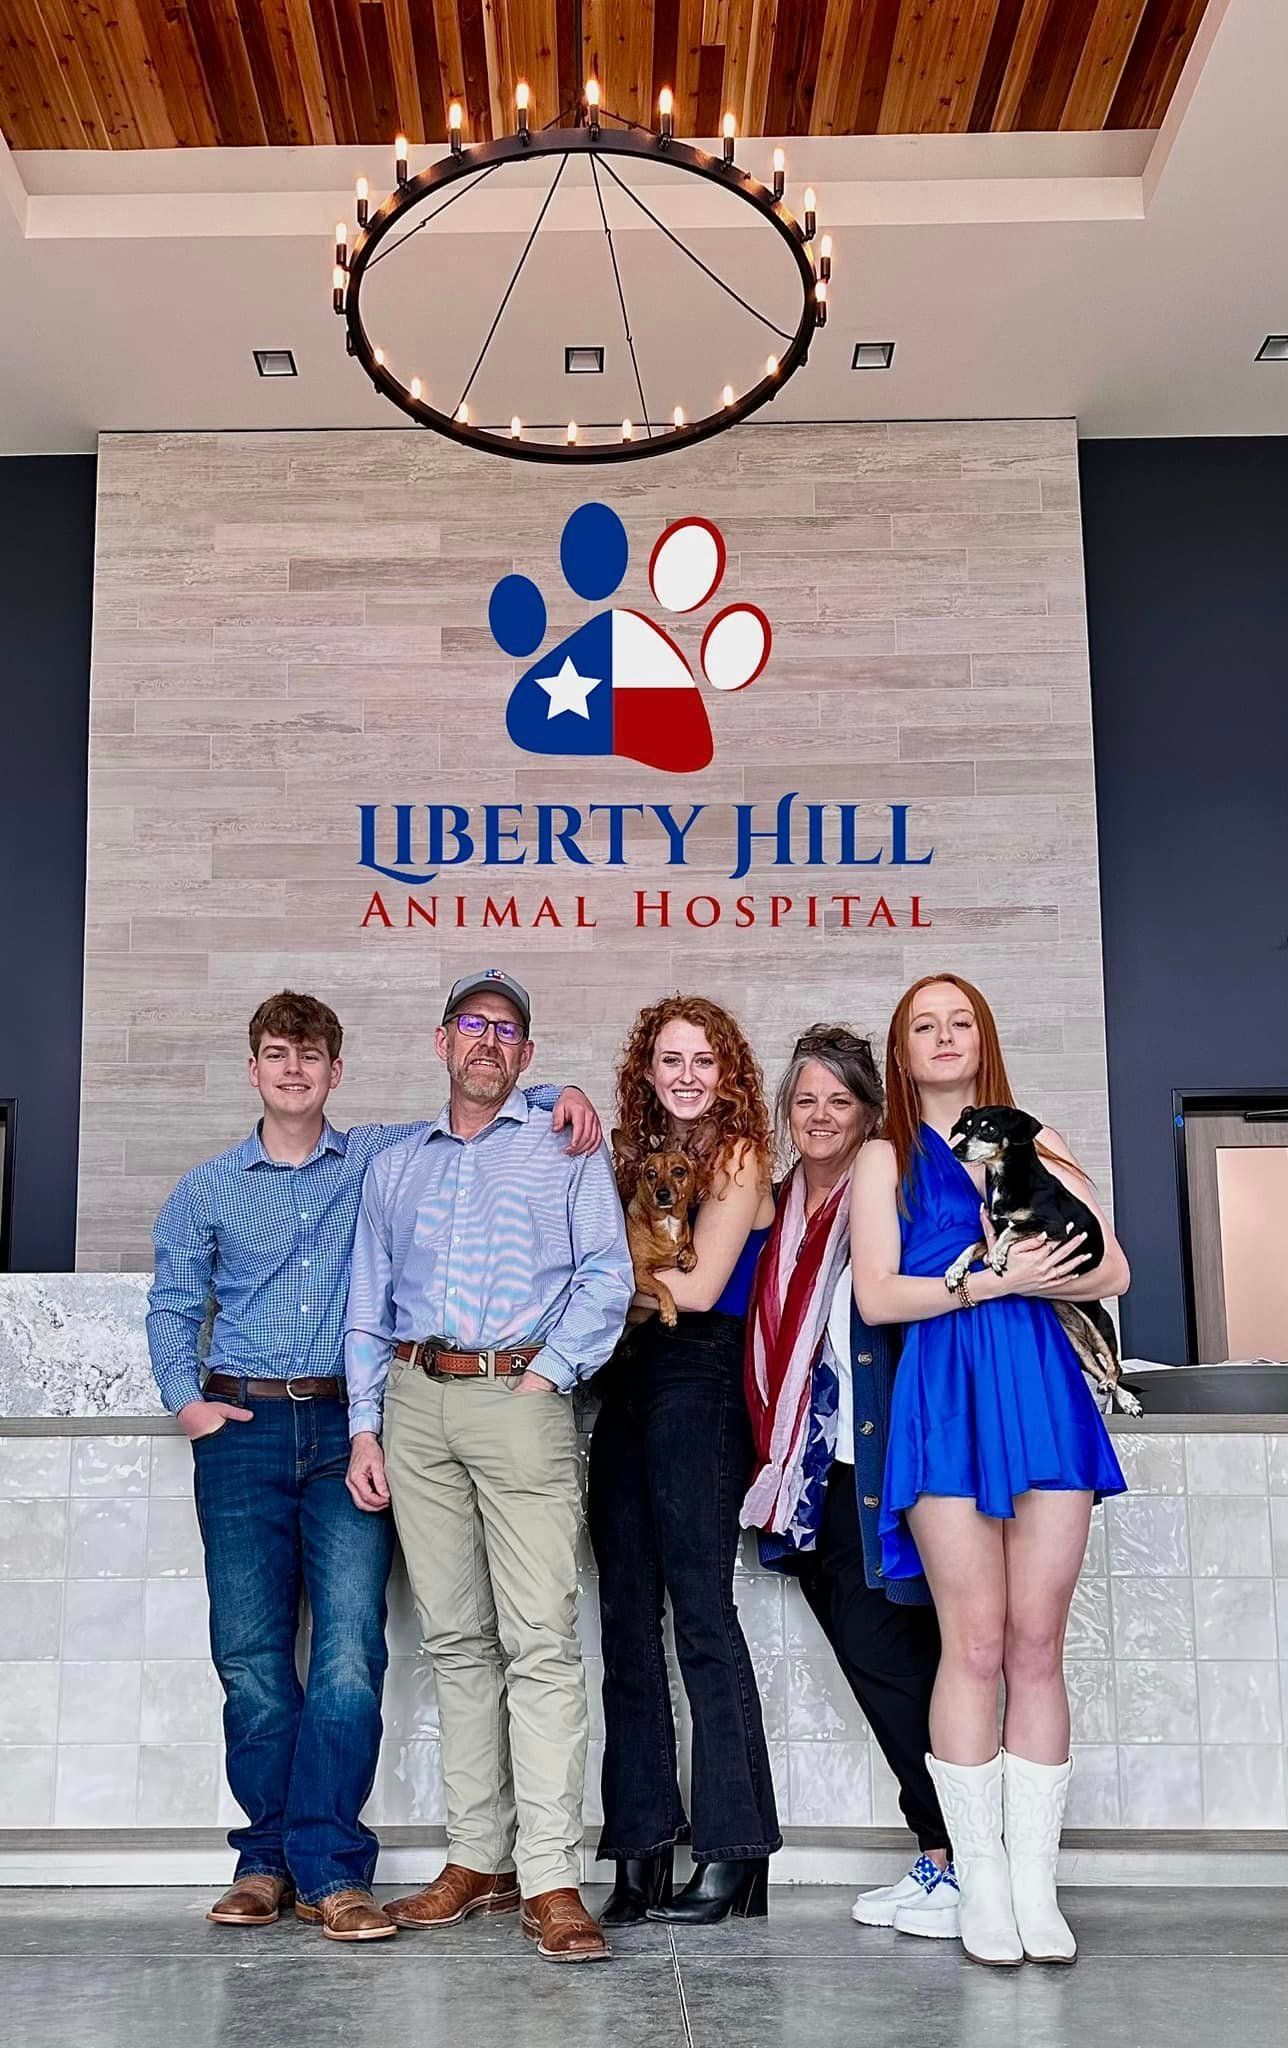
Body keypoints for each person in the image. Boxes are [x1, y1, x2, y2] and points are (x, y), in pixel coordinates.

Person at [146, 985, 602, 1944]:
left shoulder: (474, 1149)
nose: (295, 1070)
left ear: (337, 1070)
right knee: (348, 1651)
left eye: (506, 1031)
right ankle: (355, 1861)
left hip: (445, 1409)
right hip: (333, 1417)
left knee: (452, 1647)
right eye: (278, 1053)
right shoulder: (309, 1175)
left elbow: (592, 1252)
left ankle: (471, 1875)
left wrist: (563, 1088)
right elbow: (216, 1304)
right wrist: (208, 1405)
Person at [343, 970, 632, 1965]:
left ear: (525, 1052)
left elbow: (608, 1272)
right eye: (472, 1024)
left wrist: (549, 1376)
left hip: (519, 1401)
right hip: (414, 1403)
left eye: (507, 1029)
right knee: (456, 1639)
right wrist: (366, 1424)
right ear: (440, 1041)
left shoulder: (561, 1141)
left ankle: (550, 1875)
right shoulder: (394, 1167)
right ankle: (479, 1860)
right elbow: (366, 1304)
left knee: (540, 1639)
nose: (487, 1041)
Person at [850, 974, 1129, 1969]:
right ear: (901, 1047)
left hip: (1043, 1395)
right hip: (944, 1403)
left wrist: (1031, 1268)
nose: (941, 1035)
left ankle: (1031, 1889)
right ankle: (979, 1885)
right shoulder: (883, 1154)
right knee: (969, 1643)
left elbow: (1111, 1266)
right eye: (922, 1024)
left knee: (1035, 1642)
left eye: (957, 1020)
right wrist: (997, 1276)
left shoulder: (1030, 1135)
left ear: (982, 1038)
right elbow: (880, 1295)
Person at [741, 1024, 958, 1940]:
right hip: (811, 1478)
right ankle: (945, 1854)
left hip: (881, 1469)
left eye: (840, 1100)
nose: (821, 1116)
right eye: (805, 1101)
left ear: (870, 1112)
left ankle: (958, 1859)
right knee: (883, 1669)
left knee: (902, 1664)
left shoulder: (890, 1193)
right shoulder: (777, 1204)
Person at [589, 994, 781, 1927]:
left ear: (729, 1070)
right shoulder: (627, 1156)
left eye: (705, 1060)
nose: (689, 1075)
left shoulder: (741, 1153)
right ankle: (637, 1852)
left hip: (701, 1374)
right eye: (672, 1059)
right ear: (648, 1070)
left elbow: (700, 1286)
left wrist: (599, 1283)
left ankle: (737, 1857)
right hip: (624, 1376)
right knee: (626, 1621)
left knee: (701, 1611)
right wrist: (605, 1292)